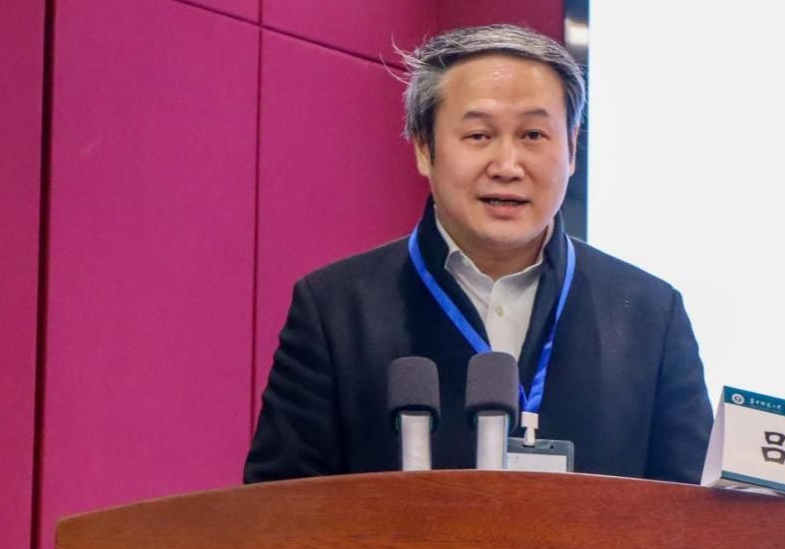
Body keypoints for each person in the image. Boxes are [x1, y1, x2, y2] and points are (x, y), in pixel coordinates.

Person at [244, 24, 712, 484]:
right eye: (479, 136)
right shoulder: (336, 310)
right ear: (424, 147)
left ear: (571, 148)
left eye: (533, 135)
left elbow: (695, 514)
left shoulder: (651, 314)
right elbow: (278, 510)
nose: (507, 166)